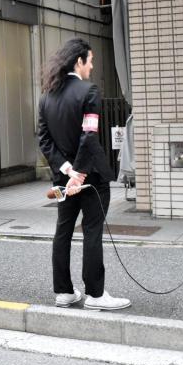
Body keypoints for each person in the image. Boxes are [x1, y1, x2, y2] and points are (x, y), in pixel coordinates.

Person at [37, 38, 129, 311]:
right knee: (92, 231)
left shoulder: (47, 96)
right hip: (92, 179)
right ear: (79, 61)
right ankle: (96, 294)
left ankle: (64, 292)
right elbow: (88, 136)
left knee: (63, 231)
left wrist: (67, 172)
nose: (92, 66)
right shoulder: (89, 91)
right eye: (90, 61)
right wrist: (79, 174)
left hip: (63, 179)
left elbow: (44, 140)